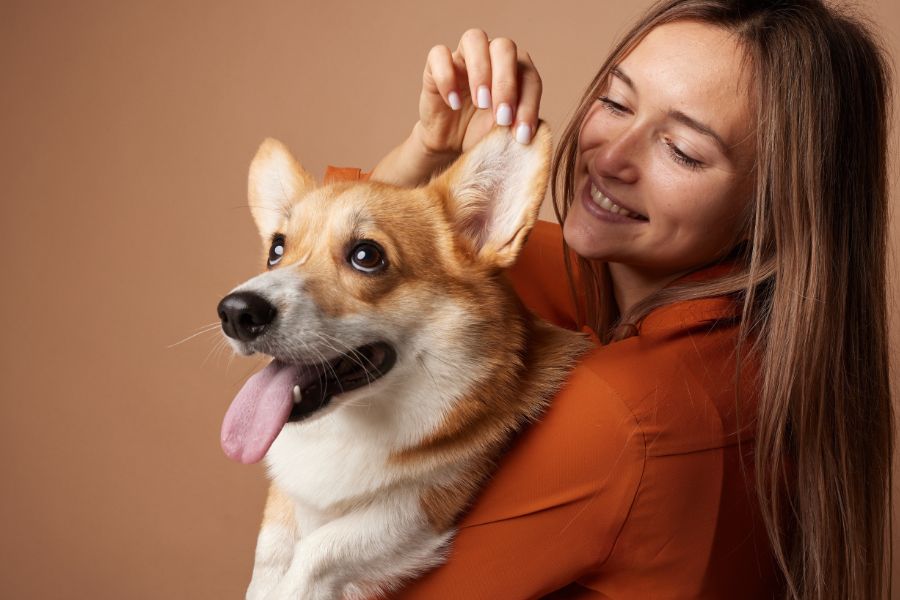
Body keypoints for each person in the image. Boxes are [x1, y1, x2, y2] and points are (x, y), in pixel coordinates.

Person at [324, 0, 893, 597]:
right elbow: (337, 292)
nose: (612, 157)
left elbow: (348, 584)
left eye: (683, 151)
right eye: (616, 102)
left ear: (774, 210)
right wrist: (431, 150)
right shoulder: (646, 294)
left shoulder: (628, 416)